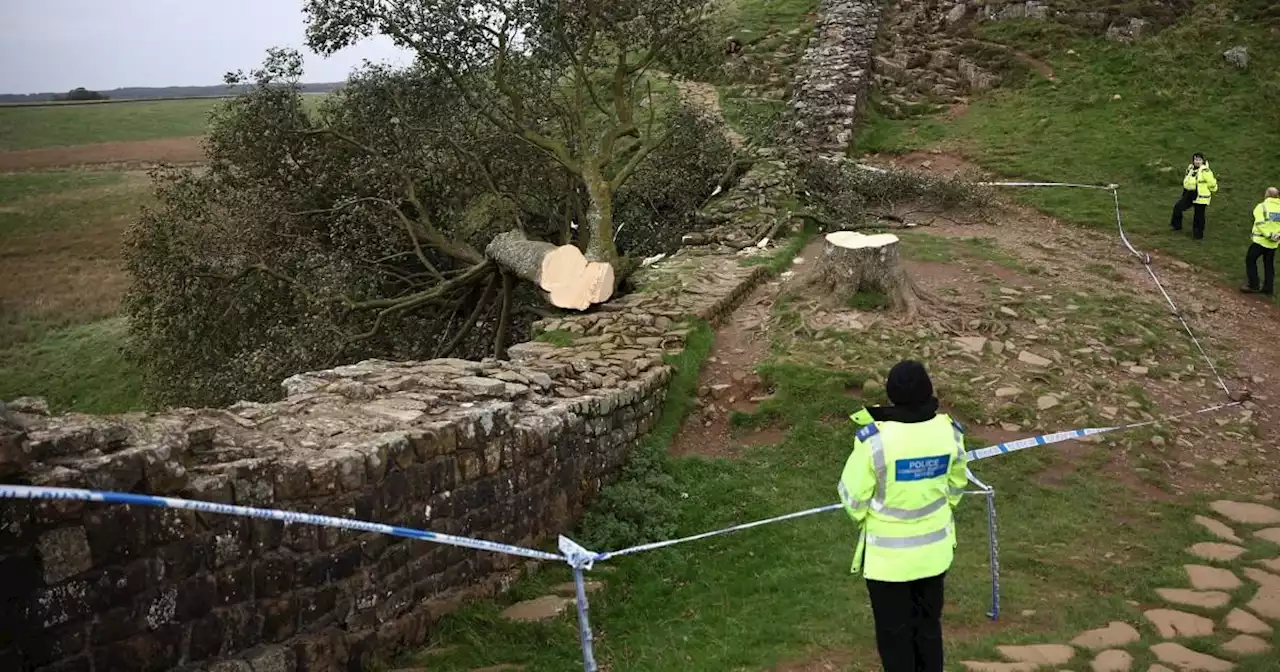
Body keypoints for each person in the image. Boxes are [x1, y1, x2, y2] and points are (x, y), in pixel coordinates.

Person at [839, 361, 968, 672]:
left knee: (894, 637)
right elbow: (957, 484)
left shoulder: (874, 440)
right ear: (928, 390)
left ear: (891, 394)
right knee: (927, 629)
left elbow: (853, 497)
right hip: (934, 556)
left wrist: (864, 518)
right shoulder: (949, 432)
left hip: (888, 564)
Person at [1170, 153, 1219, 240]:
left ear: (1203, 161)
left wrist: (1212, 190)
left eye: (1199, 160)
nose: (1197, 161)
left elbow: (1212, 183)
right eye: (1196, 159)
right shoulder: (1190, 168)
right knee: (1178, 207)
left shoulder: (1205, 171)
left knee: (1198, 216)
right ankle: (1176, 226)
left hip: (1201, 195)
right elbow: (1187, 180)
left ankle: (1198, 235)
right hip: (1190, 193)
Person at [1242, 187, 1280, 297]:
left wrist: (1269, 235)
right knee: (1269, 264)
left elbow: (1260, 223)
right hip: (1274, 243)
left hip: (1261, 240)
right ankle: (1268, 289)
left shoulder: (1261, 207)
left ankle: (1253, 285)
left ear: (1266, 195)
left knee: (1250, 259)